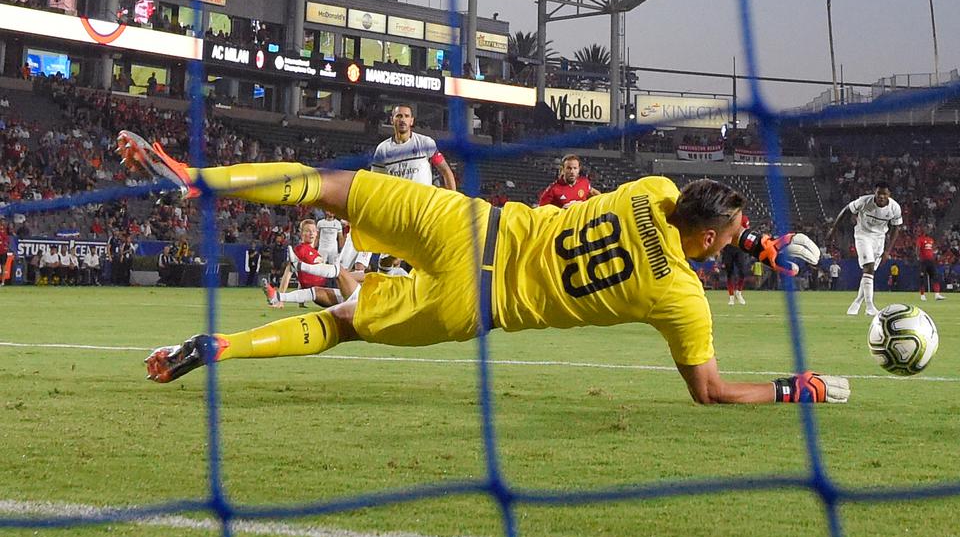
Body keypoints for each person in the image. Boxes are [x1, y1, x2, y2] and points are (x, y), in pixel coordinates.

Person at [115, 130, 845, 405]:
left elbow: (696, 208)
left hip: (470, 222)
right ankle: (225, 347)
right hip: (480, 299)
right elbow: (711, 391)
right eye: (737, 235)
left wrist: (757, 244)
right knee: (343, 324)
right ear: (714, 243)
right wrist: (794, 388)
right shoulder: (682, 300)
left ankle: (197, 177)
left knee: (327, 184)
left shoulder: (651, 192)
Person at [827, 183, 902, 317]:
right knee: (868, 267)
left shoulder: (895, 208)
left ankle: (857, 302)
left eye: (884, 194)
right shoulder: (864, 201)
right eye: (879, 193)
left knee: (870, 273)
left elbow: (896, 228)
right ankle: (870, 306)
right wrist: (833, 229)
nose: (881, 196)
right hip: (863, 236)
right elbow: (846, 210)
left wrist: (887, 251)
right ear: (875, 193)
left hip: (879, 240)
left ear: (889, 195)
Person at [261, 219, 345, 309]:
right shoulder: (300, 250)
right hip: (323, 289)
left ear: (317, 233)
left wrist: (301, 302)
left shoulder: (316, 252)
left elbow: (303, 277)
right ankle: (277, 297)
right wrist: (281, 301)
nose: (311, 233)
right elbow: (289, 271)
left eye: (313, 231)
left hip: (331, 285)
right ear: (301, 233)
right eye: (308, 231)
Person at [372, 104, 457, 190]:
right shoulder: (382, 149)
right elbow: (376, 181)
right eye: (399, 116)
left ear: (411, 121)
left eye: (406, 116)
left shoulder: (425, 143)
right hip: (397, 202)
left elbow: (446, 171)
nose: (402, 119)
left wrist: (453, 199)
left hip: (422, 202)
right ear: (392, 120)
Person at [915, 229, 946, 302]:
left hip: (931, 261)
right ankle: (922, 295)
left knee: (935, 277)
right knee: (922, 278)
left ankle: (937, 295)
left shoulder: (931, 240)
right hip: (923, 261)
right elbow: (917, 248)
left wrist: (934, 253)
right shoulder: (920, 239)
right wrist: (918, 256)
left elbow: (933, 249)